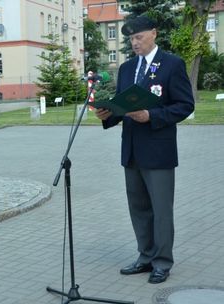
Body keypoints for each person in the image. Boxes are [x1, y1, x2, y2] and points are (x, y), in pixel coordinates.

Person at [95, 16, 195, 284]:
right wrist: (107, 115)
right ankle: (146, 256)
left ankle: (162, 262)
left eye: (138, 37)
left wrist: (151, 115)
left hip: (158, 151)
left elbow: (185, 105)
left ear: (153, 33)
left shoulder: (172, 64)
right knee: (138, 208)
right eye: (130, 39)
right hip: (131, 150)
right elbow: (121, 107)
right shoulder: (127, 69)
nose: (134, 43)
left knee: (161, 210)